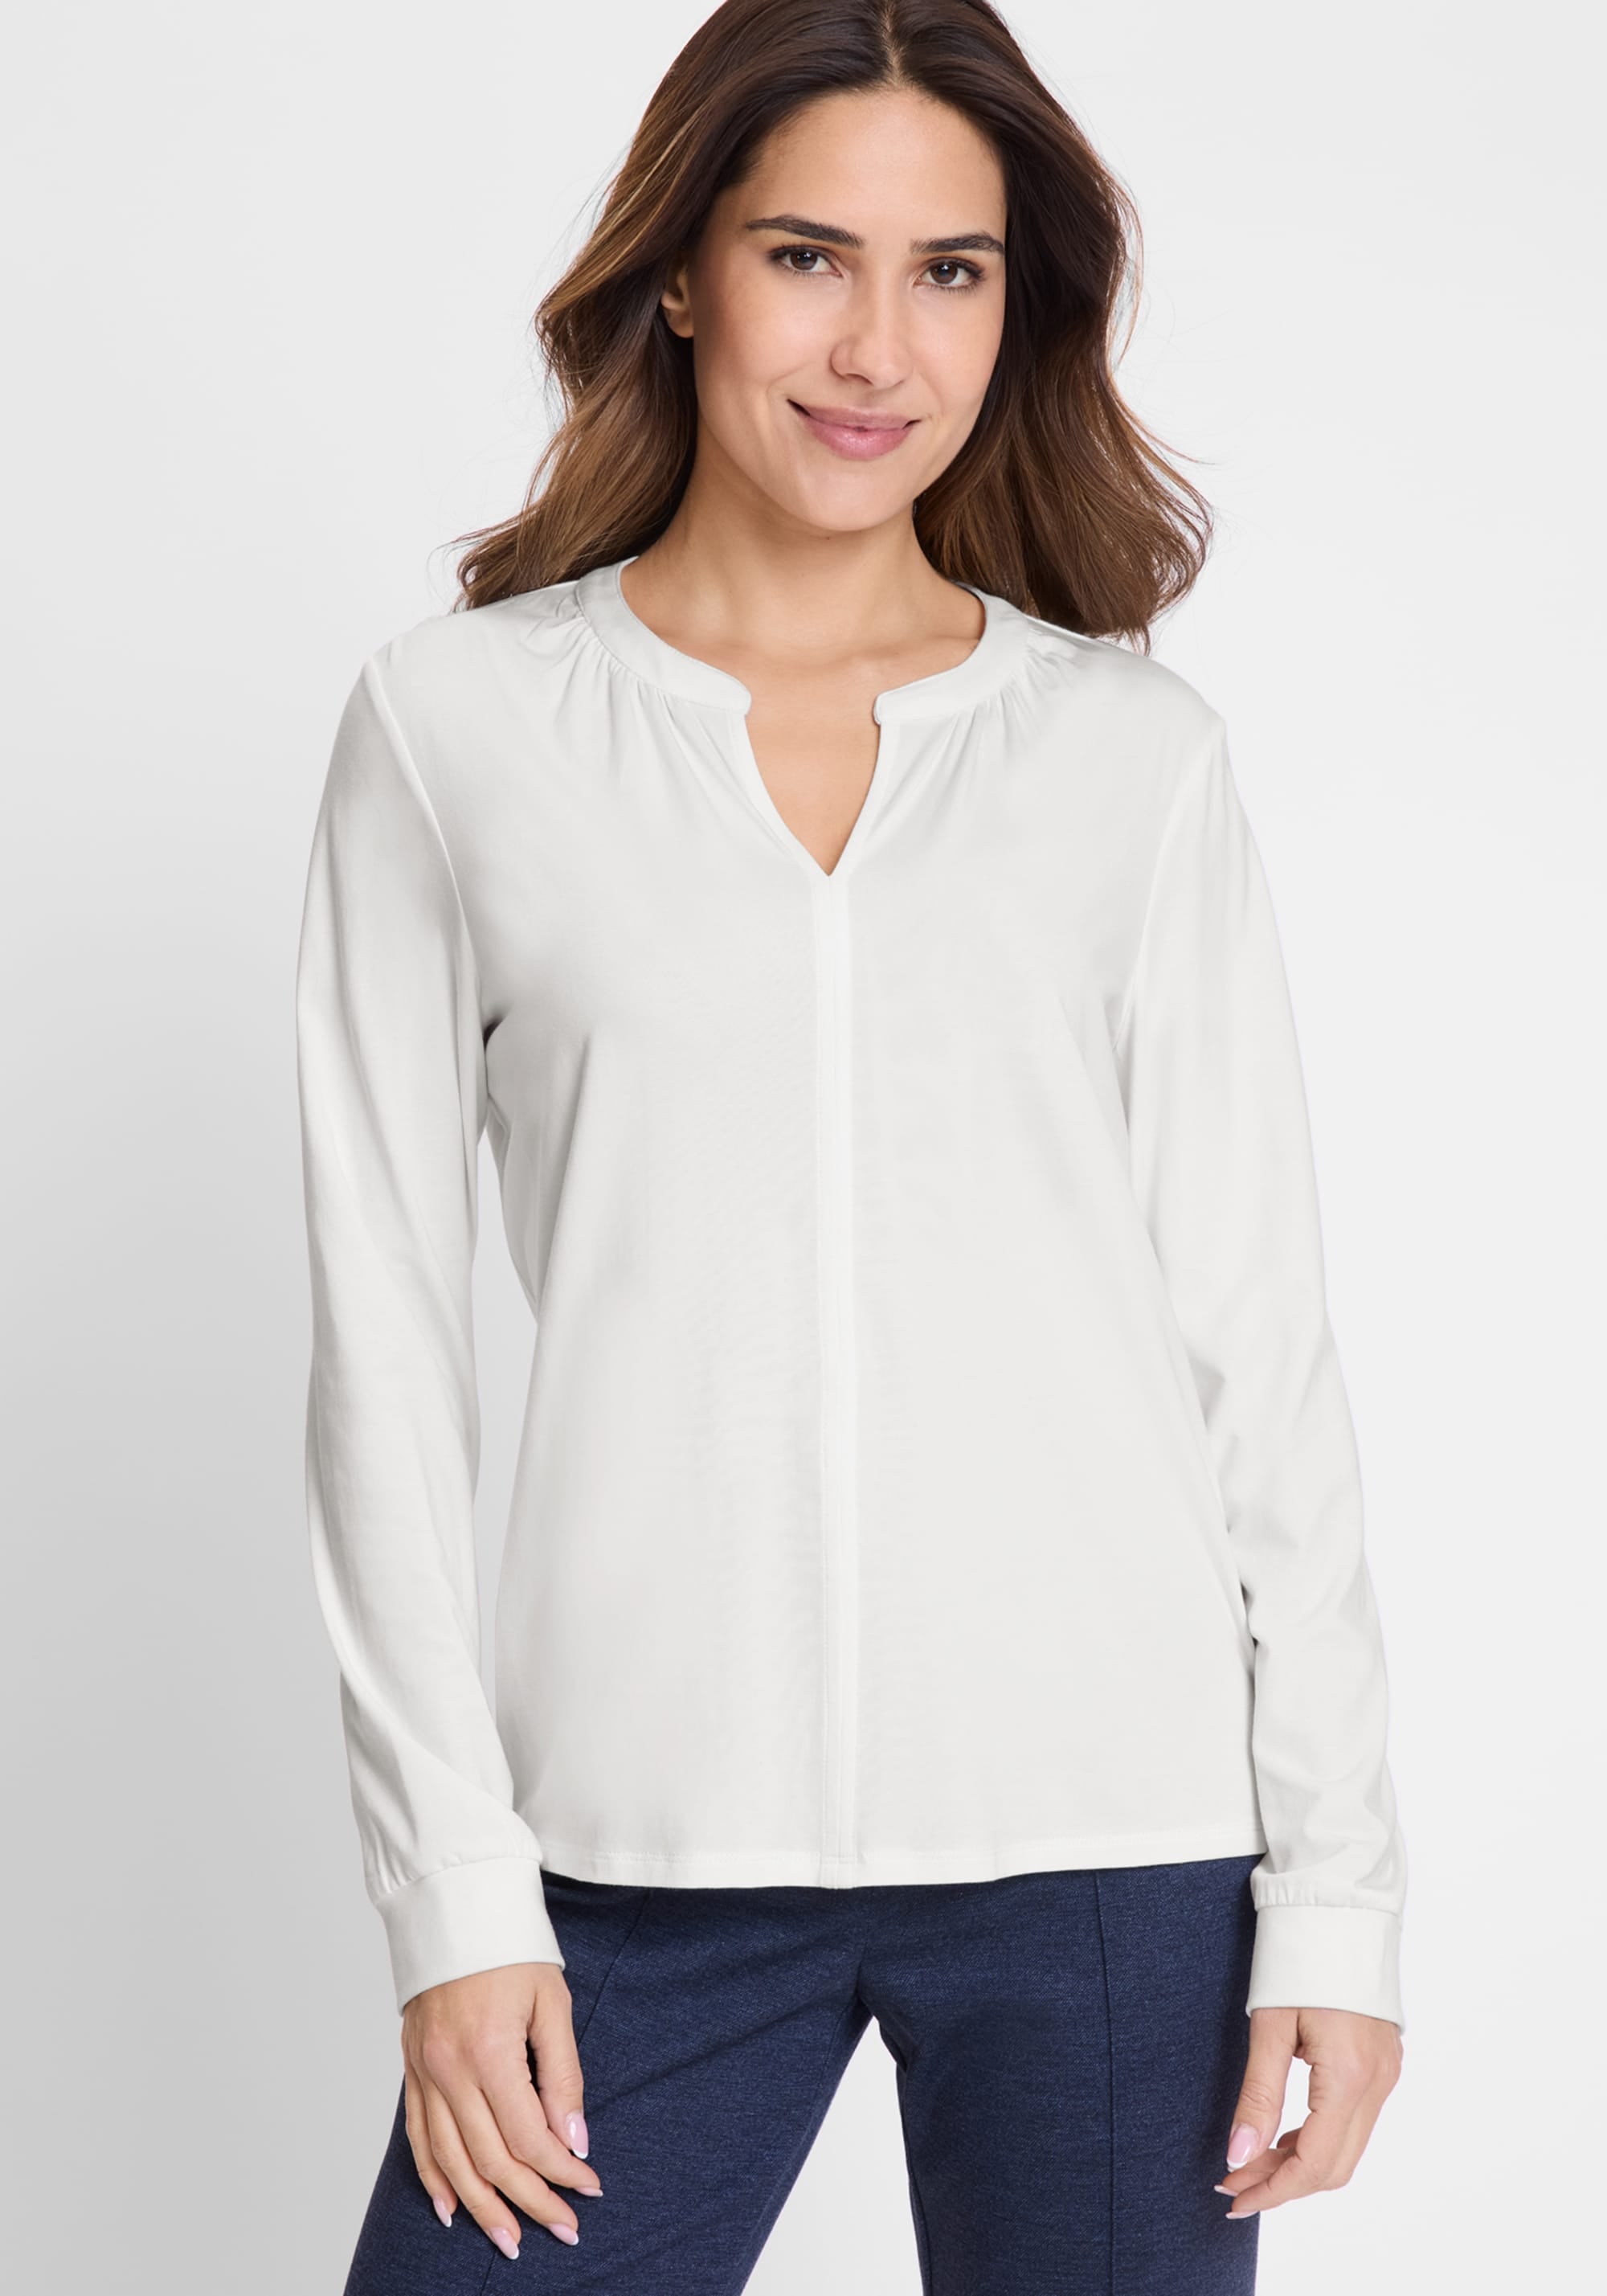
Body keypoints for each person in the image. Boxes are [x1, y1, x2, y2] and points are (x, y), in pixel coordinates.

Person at [294, 2, 1407, 2288]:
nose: (878, 347)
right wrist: (453, 1894)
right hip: (630, 1861)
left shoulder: (1128, 762)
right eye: (809, 255)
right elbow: (383, 1360)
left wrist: (1340, 1892)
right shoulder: (460, 731)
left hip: (1115, 1850)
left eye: (952, 272)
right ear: (682, 274)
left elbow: (1261, 1353)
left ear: (1017, 308)